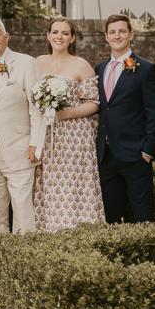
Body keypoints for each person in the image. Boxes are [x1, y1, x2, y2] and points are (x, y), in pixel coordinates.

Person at [33, 17, 106, 231]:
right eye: (55, 32)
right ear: (48, 35)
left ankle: (80, 233)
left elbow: (95, 104)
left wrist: (64, 115)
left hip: (75, 137)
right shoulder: (37, 62)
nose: (59, 37)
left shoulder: (81, 65)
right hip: (45, 136)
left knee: (74, 185)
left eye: (65, 33)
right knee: (48, 185)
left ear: (72, 38)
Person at [0, 16, 43, 236]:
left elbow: (36, 107)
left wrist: (35, 143)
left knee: (23, 212)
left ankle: (25, 264)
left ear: (6, 37)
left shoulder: (26, 63)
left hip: (20, 148)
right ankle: (3, 264)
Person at [95, 14, 155, 223]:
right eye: (113, 32)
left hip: (135, 154)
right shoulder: (99, 69)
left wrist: (147, 151)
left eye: (122, 31)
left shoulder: (146, 69)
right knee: (114, 217)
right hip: (105, 156)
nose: (117, 36)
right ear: (106, 37)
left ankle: (148, 254)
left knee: (143, 215)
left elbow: (154, 112)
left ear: (131, 34)